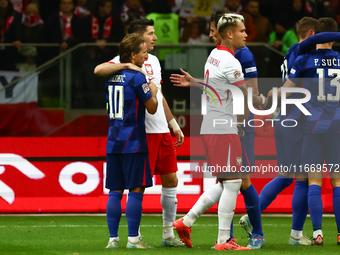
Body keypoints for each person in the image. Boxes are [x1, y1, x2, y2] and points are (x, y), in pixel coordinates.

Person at [171, 9, 265, 249]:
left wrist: (194, 82)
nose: (246, 34)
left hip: (212, 125)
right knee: (233, 183)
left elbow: (215, 87)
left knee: (226, 182)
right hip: (224, 128)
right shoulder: (232, 61)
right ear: (230, 34)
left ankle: (186, 221)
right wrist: (253, 111)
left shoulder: (214, 55)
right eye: (242, 31)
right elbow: (245, 97)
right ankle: (224, 240)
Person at [94, 19, 185, 247]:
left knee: (168, 179)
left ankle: (161, 235)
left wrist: (173, 124)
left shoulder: (151, 60)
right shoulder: (127, 63)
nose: (154, 38)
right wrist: (129, 69)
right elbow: (99, 69)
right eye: (151, 34)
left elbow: (160, 95)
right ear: (137, 42)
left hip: (128, 136)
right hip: (138, 136)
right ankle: (134, 238)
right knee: (137, 187)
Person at [258, 16, 340, 246]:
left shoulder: (292, 53)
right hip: (302, 120)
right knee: (300, 179)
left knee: (294, 177)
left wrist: (268, 97)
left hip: (289, 119)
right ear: (314, 34)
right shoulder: (306, 55)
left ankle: (299, 233)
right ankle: (263, 220)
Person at [104, 33, 158, 249]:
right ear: (133, 54)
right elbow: (152, 107)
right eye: (144, 53)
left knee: (115, 190)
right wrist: (153, 91)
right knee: (136, 190)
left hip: (113, 140)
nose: (146, 57)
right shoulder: (137, 78)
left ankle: (113, 239)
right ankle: (134, 239)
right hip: (133, 141)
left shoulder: (111, 77)